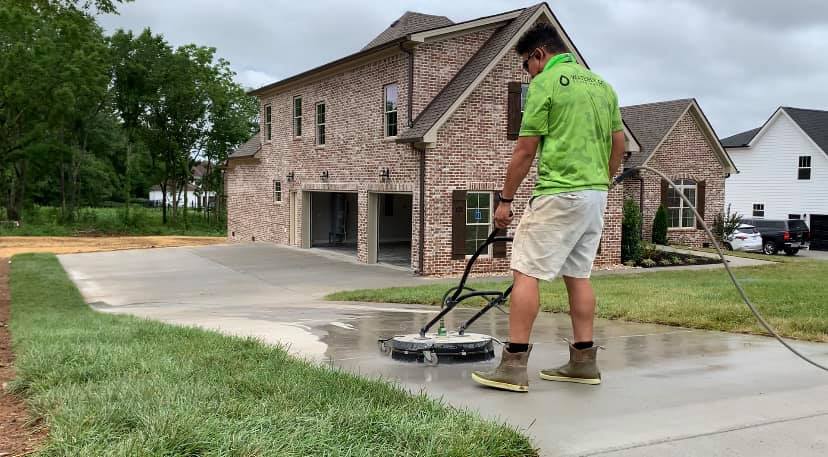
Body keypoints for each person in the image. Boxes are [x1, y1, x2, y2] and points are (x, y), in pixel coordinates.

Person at [471, 22, 626, 393]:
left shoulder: (545, 84)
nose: (528, 73)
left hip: (559, 193)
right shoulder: (602, 85)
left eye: (526, 65)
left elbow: (525, 151)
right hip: (594, 196)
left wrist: (504, 201)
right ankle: (584, 363)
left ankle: (512, 366)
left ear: (539, 55)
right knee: (578, 275)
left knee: (525, 271)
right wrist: (600, 181)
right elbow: (618, 145)